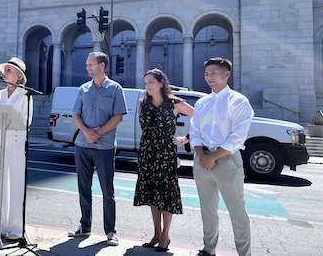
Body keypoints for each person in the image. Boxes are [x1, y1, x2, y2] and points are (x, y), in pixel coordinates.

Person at [189, 57, 254, 256]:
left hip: (227, 159)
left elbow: (237, 136)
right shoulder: (202, 103)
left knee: (237, 210)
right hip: (202, 159)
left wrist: (213, 157)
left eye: (214, 73)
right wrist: (202, 156)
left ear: (227, 74)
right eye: (207, 74)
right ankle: (209, 249)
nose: (209, 77)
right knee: (207, 208)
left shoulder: (239, 101)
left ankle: (244, 253)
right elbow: (195, 132)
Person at [68, 52, 126, 247]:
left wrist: (98, 133)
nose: (87, 67)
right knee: (83, 188)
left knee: (107, 191)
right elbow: (76, 114)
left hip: (105, 147)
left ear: (102, 65)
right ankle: (85, 226)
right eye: (87, 64)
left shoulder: (115, 89)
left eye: (91, 64)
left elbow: (118, 116)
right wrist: (86, 132)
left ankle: (110, 231)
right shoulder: (83, 89)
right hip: (82, 146)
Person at [133, 68, 194, 252]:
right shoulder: (142, 103)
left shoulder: (175, 104)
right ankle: (156, 233)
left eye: (151, 82)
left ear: (161, 83)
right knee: (152, 193)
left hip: (166, 152)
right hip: (147, 152)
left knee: (166, 194)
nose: (147, 86)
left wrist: (188, 137)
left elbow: (202, 117)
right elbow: (145, 129)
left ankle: (165, 236)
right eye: (145, 83)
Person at [0, 57, 33, 241]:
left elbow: (26, 121)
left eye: (9, 70)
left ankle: (16, 229)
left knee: (16, 184)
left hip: (16, 142)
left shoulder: (26, 95)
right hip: (0, 141)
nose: (5, 73)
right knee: (0, 184)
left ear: (18, 76)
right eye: (5, 69)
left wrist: (9, 118)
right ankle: (0, 226)